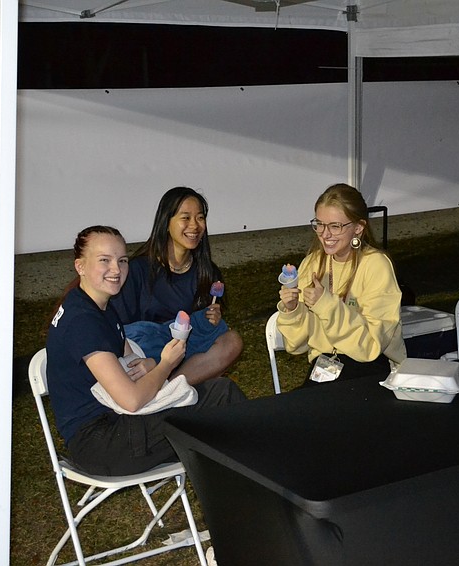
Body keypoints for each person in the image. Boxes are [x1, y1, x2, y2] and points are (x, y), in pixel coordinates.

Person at [46, 225, 246, 476]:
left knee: (219, 395)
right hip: (103, 442)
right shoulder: (83, 321)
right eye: (104, 261)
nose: (116, 270)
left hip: (116, 425)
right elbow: (131, 400)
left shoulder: (98, 305)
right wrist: (166, 364)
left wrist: (150, 364)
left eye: (122, 260)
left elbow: (129, 357)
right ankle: (253, 486)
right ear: (80, 266)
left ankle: (238, 481)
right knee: (221, 400)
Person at [277, 183, 406, 387]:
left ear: (358, 228)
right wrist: (293, 310)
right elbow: (296, 345)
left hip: (370, 369)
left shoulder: (376, 265)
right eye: (319, 224)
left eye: (335, 226)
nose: (325, 234)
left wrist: (326, 305)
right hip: (325, 366)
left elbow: (370, 348)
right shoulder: (312, 263)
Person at [111, 187, 243, 385]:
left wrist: (212, 318)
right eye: (185, 218)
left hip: (187, 358)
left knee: (232, 342)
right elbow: (119, 330)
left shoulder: (207, 272)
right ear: (166, 222)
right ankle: (160, 385)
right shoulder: (138, 270)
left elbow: (202, 331)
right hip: (144, 356)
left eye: (200, 218)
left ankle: (171, 389)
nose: (194, 226)